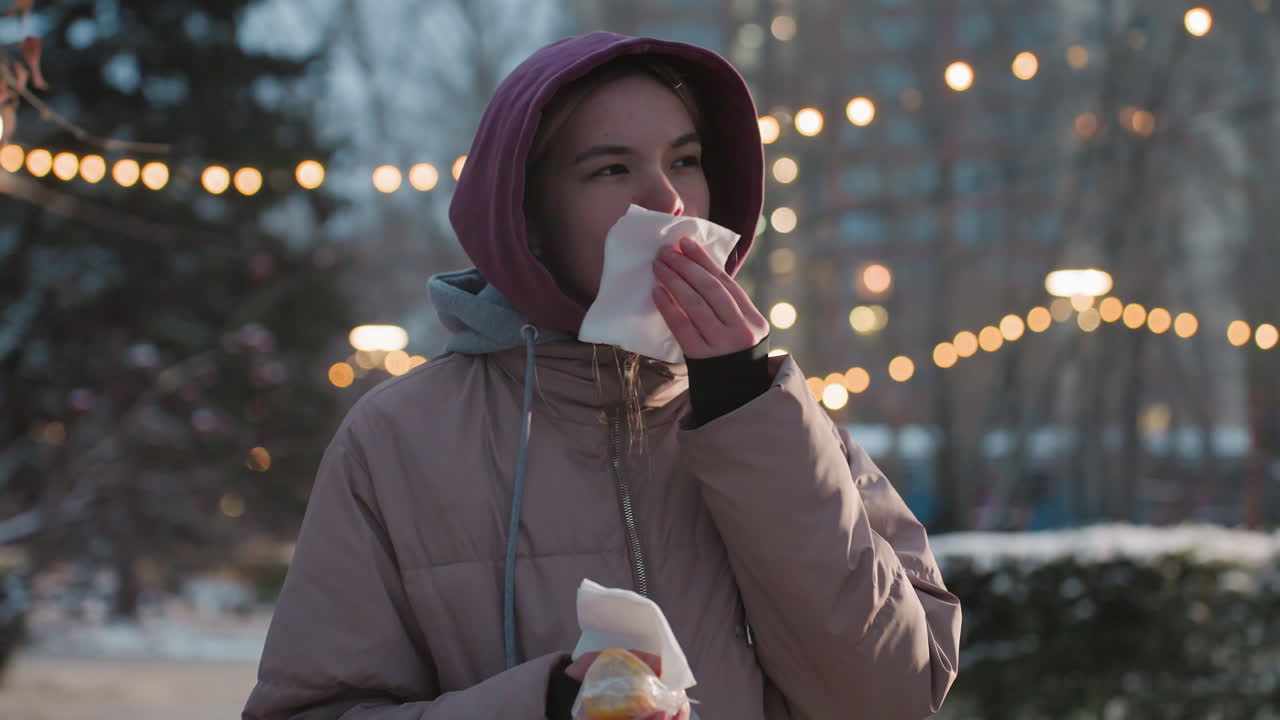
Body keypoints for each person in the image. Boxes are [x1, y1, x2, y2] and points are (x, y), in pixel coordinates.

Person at [243, 31, 961, 720]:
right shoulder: (398, 439)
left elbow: (891, 695)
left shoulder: (777, 417)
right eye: (612, 170)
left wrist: (744, 409)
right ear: (527, 216)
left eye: (685, 160)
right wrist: (545, 707)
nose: (668, 201)